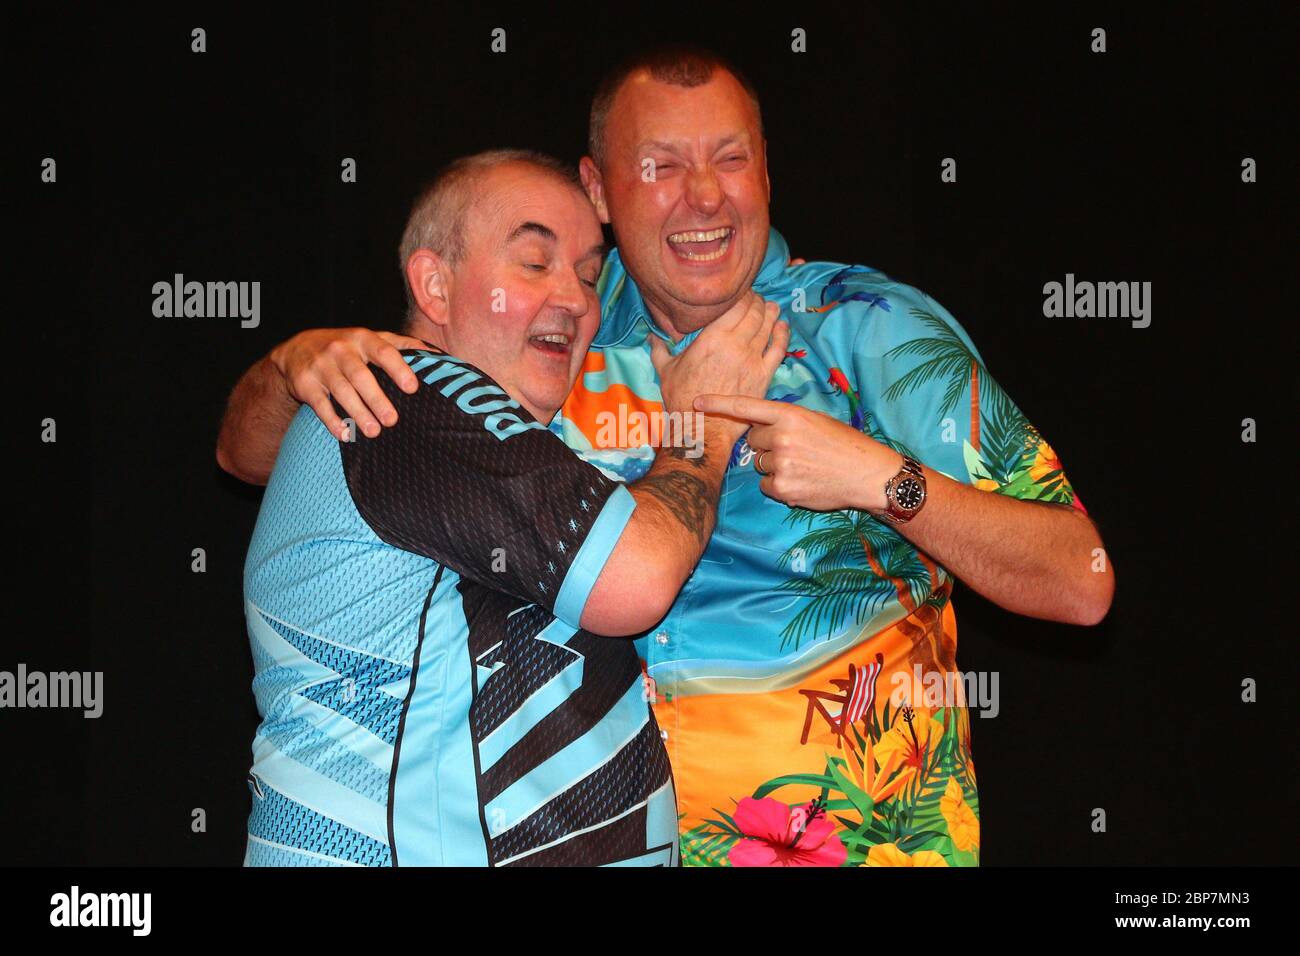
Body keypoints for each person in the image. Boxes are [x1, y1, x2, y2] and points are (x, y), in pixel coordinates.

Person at [220, 48, 1115, 868]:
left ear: (766, 172)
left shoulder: (869, 333)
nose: (704, 196)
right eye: (660, 166)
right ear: (598, 187)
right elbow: (271, 457)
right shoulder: (548, 341)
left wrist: (887, 482)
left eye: (730, 159)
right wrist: (297, 362)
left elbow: (1083, 579)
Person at [238, 147, 787, 866]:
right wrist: (702, 427)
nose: (575, 297)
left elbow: (241, 452)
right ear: (434, 287)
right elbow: (638, 576)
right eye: (535, 262)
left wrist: (284, 367)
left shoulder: (446, 434)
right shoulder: (410, 399)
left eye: (590, 275)